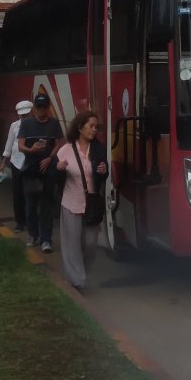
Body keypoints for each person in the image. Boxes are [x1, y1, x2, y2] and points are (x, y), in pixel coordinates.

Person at [55, 110, 108, 292]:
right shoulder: (66, 150)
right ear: (80, 127)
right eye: (91, 126)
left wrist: (103, 170)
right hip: (71, 202)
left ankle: (80, 272)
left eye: (96, 127)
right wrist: (59, 169)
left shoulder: (99, 149)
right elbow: (56, 178)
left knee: (91, 243)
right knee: (72, 244)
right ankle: (77, 280)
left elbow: (103, 173)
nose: (94, 130)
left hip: (91, 204)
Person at [18, 93, 64, 252]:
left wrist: (50, 158)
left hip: (48, 170)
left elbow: (59, 144)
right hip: (31, 169)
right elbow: (20, 145)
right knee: (30, 206)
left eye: (45, 107)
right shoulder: (26, 123)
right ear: (34, 108)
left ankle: (46, 239)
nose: (42, 111)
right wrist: (31, 150)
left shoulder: (54, 124)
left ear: (48, 108)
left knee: (46, 206)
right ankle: (33, 235)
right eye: (39, 107)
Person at [0, 100, 33, 232]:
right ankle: (20, 222)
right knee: (17, 194)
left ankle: (31, 221)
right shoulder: (14, 126)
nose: (23, 118)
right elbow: (9, 145)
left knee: (30, 194)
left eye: (26, 115)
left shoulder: (36, 126)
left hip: (31, 163)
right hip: (16, 163)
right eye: (21, 115)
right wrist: (3, 162)